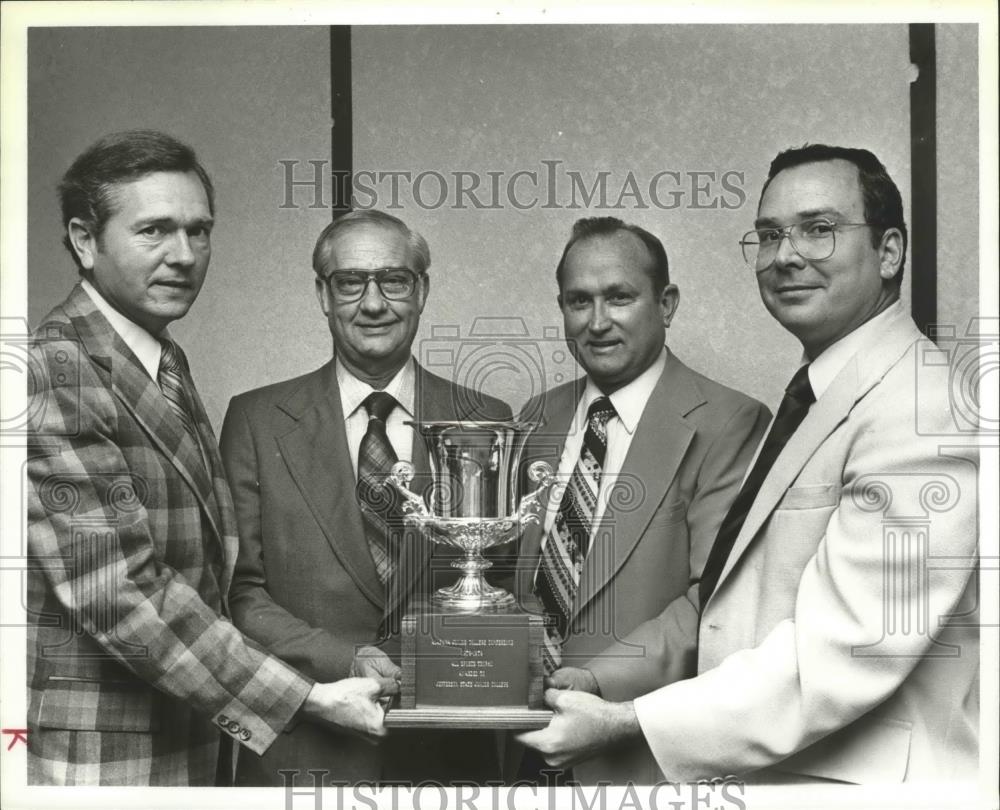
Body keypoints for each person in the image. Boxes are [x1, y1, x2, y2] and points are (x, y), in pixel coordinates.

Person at [517, 146, 980, 784]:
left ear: (891, 251)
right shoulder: (823, 395)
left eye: (820, 230)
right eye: (768, 235)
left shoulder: (922, 410)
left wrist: (630, 719)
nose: (786, 255)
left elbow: (851, 649)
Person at [26, 130, 390, 787]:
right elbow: (120, 593)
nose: (185, 255)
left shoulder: (159, 358)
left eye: (199, 231)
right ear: (84, 240)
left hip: (186, 743)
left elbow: (209, 578)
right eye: (155, 231)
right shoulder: (54, 369)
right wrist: (307, 697)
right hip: (103, 765)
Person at [219, 209, 511, 785]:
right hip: (304, 754)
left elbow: (502, 586)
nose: (373, 303)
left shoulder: (486, 420)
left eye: (393, 281)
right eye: (350, 282)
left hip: (450, 757)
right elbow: (239, 592)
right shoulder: (254, 420)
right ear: (323, 296)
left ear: (421, 290)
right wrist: (342, 657)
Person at [508, 217, 770, 783]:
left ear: (667, 303)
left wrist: (598, 680)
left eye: (619, 297)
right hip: (513, 747)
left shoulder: (730, 422)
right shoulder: (534, 417)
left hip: (632, 756)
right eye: (579, 302)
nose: (597, 322)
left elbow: (718, 600)